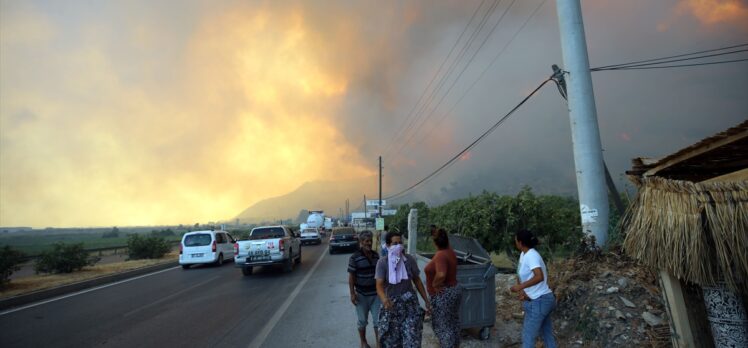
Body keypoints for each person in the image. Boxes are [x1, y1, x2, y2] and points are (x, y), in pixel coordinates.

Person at [375, 231, 431, 348]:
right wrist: (384, 299)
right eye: (395, 243)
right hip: (391, 305)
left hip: (410, 305)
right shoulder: (382, 263)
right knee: (392, 342)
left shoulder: (409, 260)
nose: (399, 246)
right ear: (388, 245)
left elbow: (417, 280)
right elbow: (379, 285)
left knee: (412, 339)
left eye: (400, 243)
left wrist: (426, 299)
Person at [510, 229, 557, 348]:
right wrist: (523, 292)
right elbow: (521, 275)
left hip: (540, 301)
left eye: (515, 240)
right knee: (547, 334)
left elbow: (539, 276)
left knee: (528, 337)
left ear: (520, 243)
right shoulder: (523, 254)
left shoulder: (532, 255)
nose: (515, 242)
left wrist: (520, 287)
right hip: (539, 300)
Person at [424, 228, 461, 348]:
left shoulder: (440, 255)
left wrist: (434, 285)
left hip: (444, 294)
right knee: (452, 323)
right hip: (453, 290)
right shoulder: (450, 251)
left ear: (434, 242)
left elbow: (441, 274)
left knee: (443, 326)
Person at [348, 231, 381, 348]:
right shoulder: (354, 257)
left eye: (370, 241)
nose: (369, 243)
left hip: (376, 295)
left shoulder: (376, 256)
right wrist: (352, 293)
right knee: (362, 321)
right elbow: (351, 277)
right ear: (361, 242)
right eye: (366, 241)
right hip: (361, 295)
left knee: (378, 321)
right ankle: (363, 342)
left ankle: (378, 343)